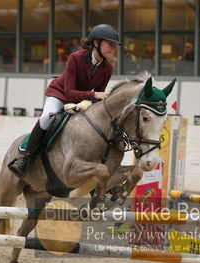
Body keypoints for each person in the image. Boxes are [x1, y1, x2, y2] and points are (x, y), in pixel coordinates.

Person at [8, 24, 120, 178]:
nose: (113, 49)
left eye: (115, 46)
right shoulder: (76, 58)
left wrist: (95, 101)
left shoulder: (108, 68)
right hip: (60, 94)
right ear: (96, 43)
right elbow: (69, 92)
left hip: (81, 99)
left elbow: (99, 92)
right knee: (48, 116)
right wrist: (93, 96)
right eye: (110, 44)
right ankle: (25, 159)